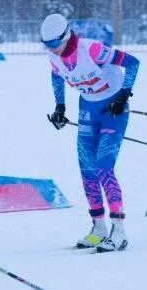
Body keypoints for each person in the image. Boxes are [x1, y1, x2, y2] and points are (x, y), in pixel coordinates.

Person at [41, 13, 140, 252]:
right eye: (47, 45)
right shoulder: (54, 57)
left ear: (66, 36)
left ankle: (119, 231)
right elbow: (57, 78)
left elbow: (132, 63)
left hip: (113, 110)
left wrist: (124, 95)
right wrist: (60, 107)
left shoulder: (92, 50)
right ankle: (99, 229)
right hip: (88, 108)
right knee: (86, 168)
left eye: (55, 43)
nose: (52, 49)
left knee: (103, 166)